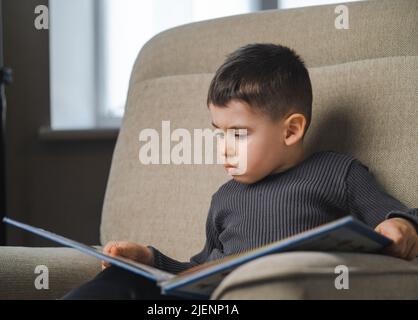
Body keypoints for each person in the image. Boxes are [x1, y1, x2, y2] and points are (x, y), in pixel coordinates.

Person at [62, 43, 418, 300]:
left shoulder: (337, 173)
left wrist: (401, 226)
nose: (224, 147)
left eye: (238, 134)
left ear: (291, 130)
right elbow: (198, 270)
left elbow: (396, 214)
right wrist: (150, 259)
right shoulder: (225, 198)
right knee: (124, 283)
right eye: (218, 133)